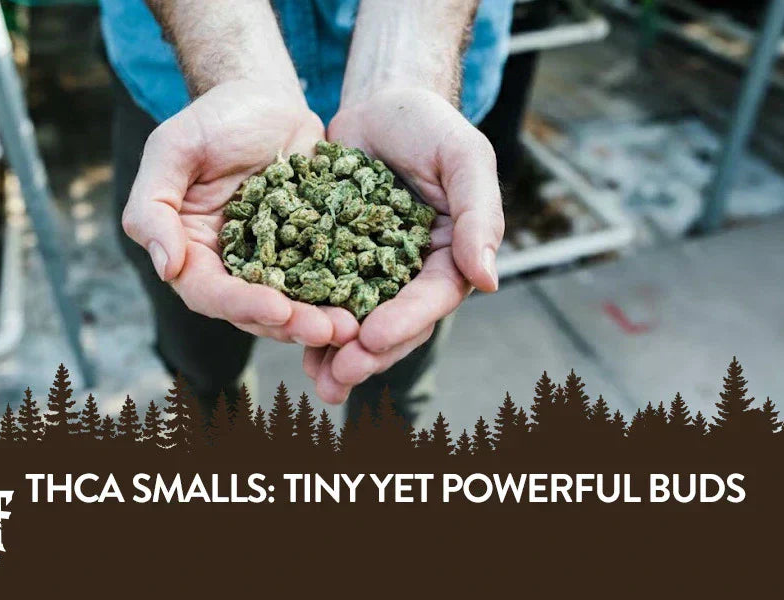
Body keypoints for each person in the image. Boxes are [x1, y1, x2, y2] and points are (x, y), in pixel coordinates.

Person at [101, 0, 510, 423]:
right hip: (191, 96)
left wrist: (404, 72)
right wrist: (236, 70)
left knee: (394, 377)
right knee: (203, 369)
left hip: (425, 110)